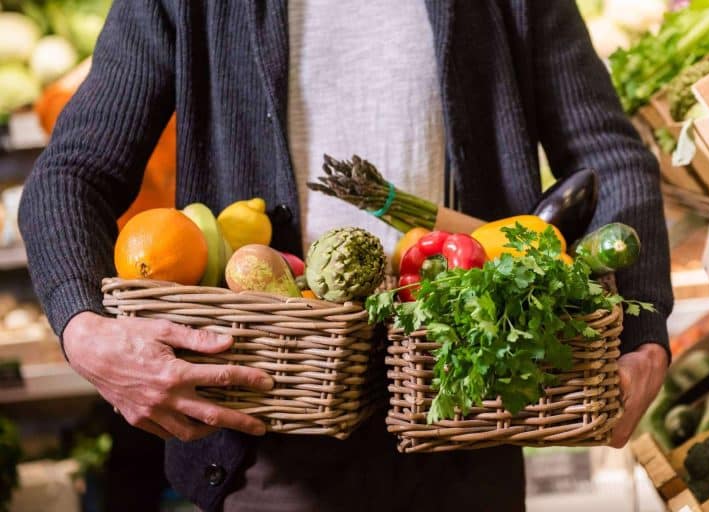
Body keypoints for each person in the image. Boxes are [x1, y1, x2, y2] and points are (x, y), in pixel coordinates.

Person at [19, 1, 672, 511]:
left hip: (466, 409)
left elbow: (608, 158)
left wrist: (644, 336)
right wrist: (83, 329)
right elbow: (73, 172)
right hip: (268, 431)